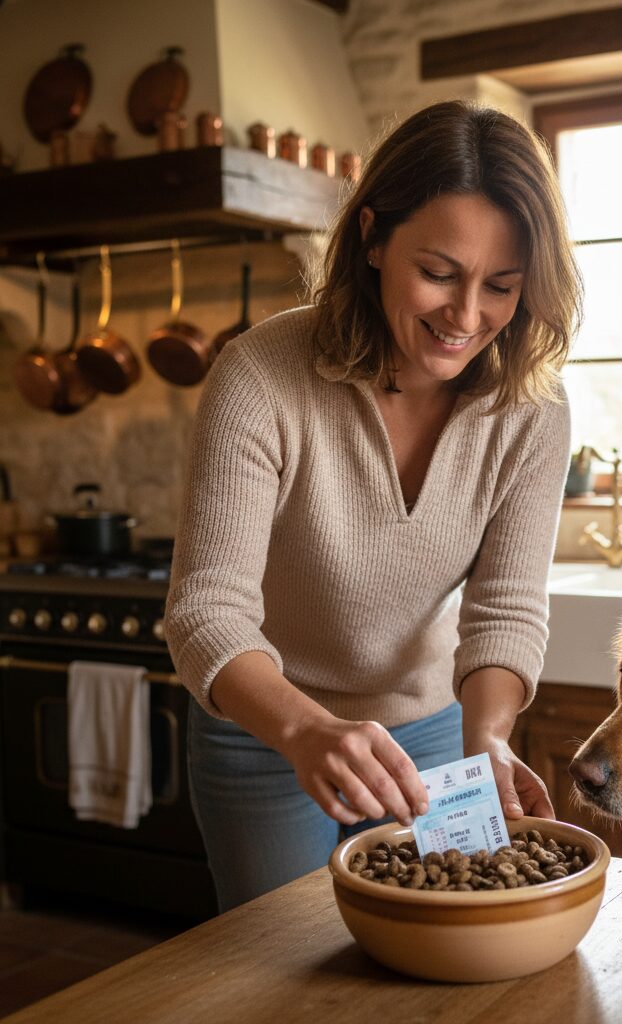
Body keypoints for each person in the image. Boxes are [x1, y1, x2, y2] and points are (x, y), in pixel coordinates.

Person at [164, 99, 583, 912]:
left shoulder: (534, 407)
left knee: (430, 957)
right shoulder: (259, 378)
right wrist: (301, 729)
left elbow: (505, 609)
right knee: (281, 971)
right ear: (371, 238)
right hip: (266, 733)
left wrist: (487, 738)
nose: (467, 318)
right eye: (438, 273)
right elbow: (206, 613)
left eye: (501, 286)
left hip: (432, 732)